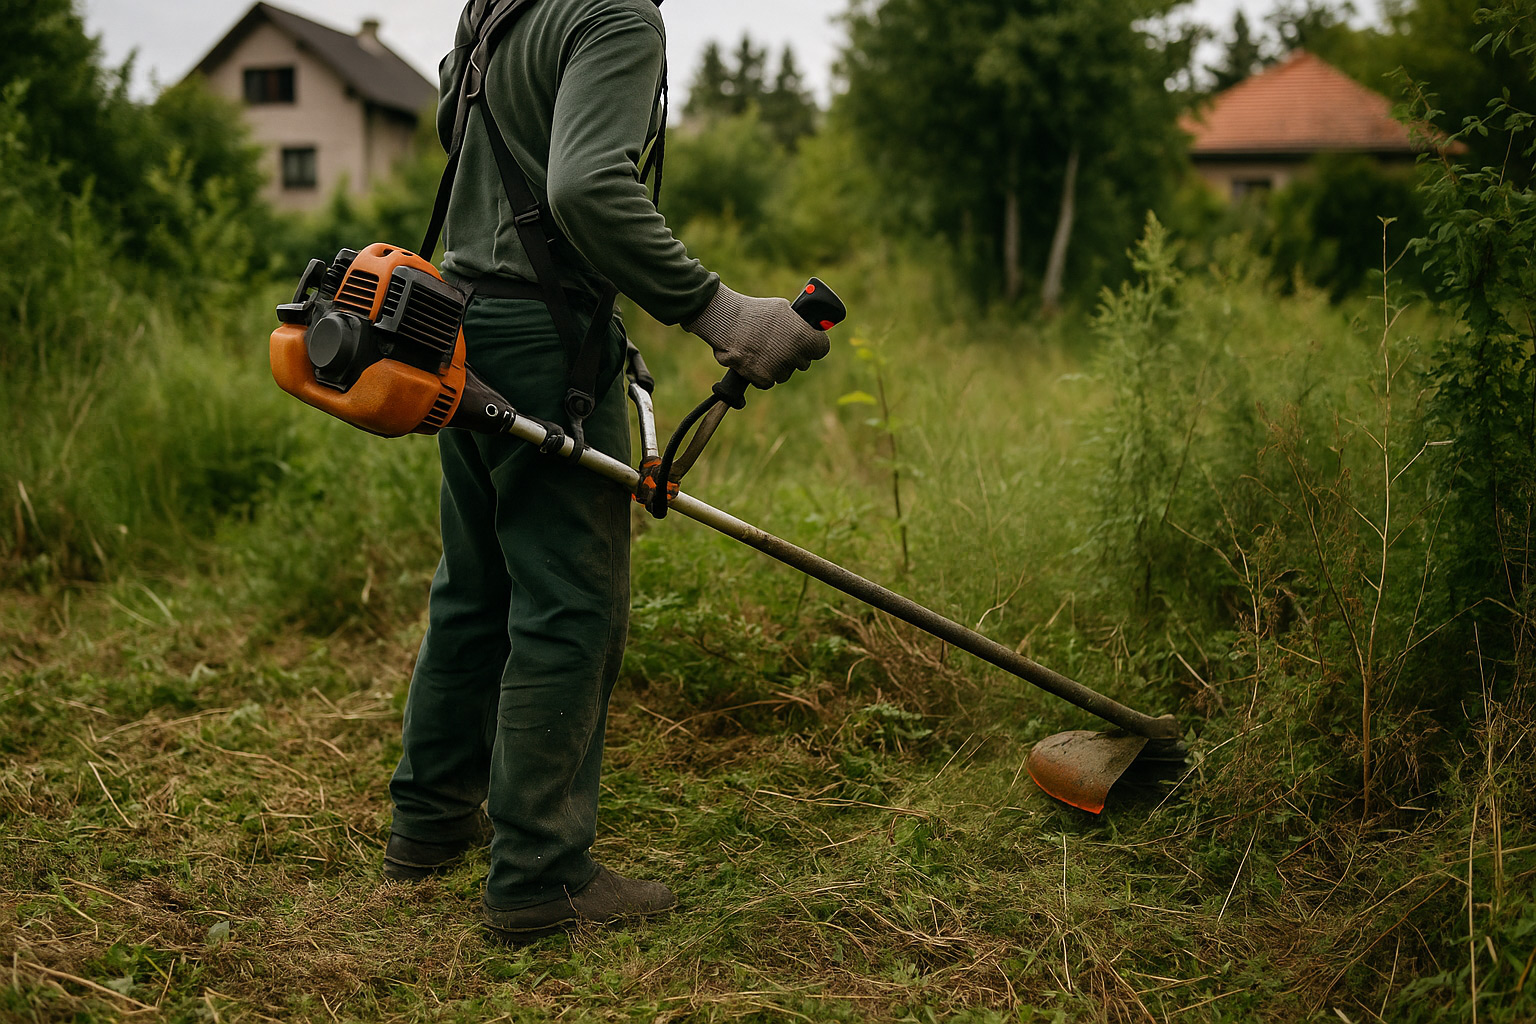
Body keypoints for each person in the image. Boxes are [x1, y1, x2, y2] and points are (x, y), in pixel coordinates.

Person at [380, 0, 830, 943]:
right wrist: (722, 313)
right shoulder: (616, 12)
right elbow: (586, 187)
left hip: (456, 318)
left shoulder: (496, 5)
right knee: (568, 606)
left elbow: (452, 123)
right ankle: (541, 877)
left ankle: (429, 823)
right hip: (538, 335)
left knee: (476, 588)